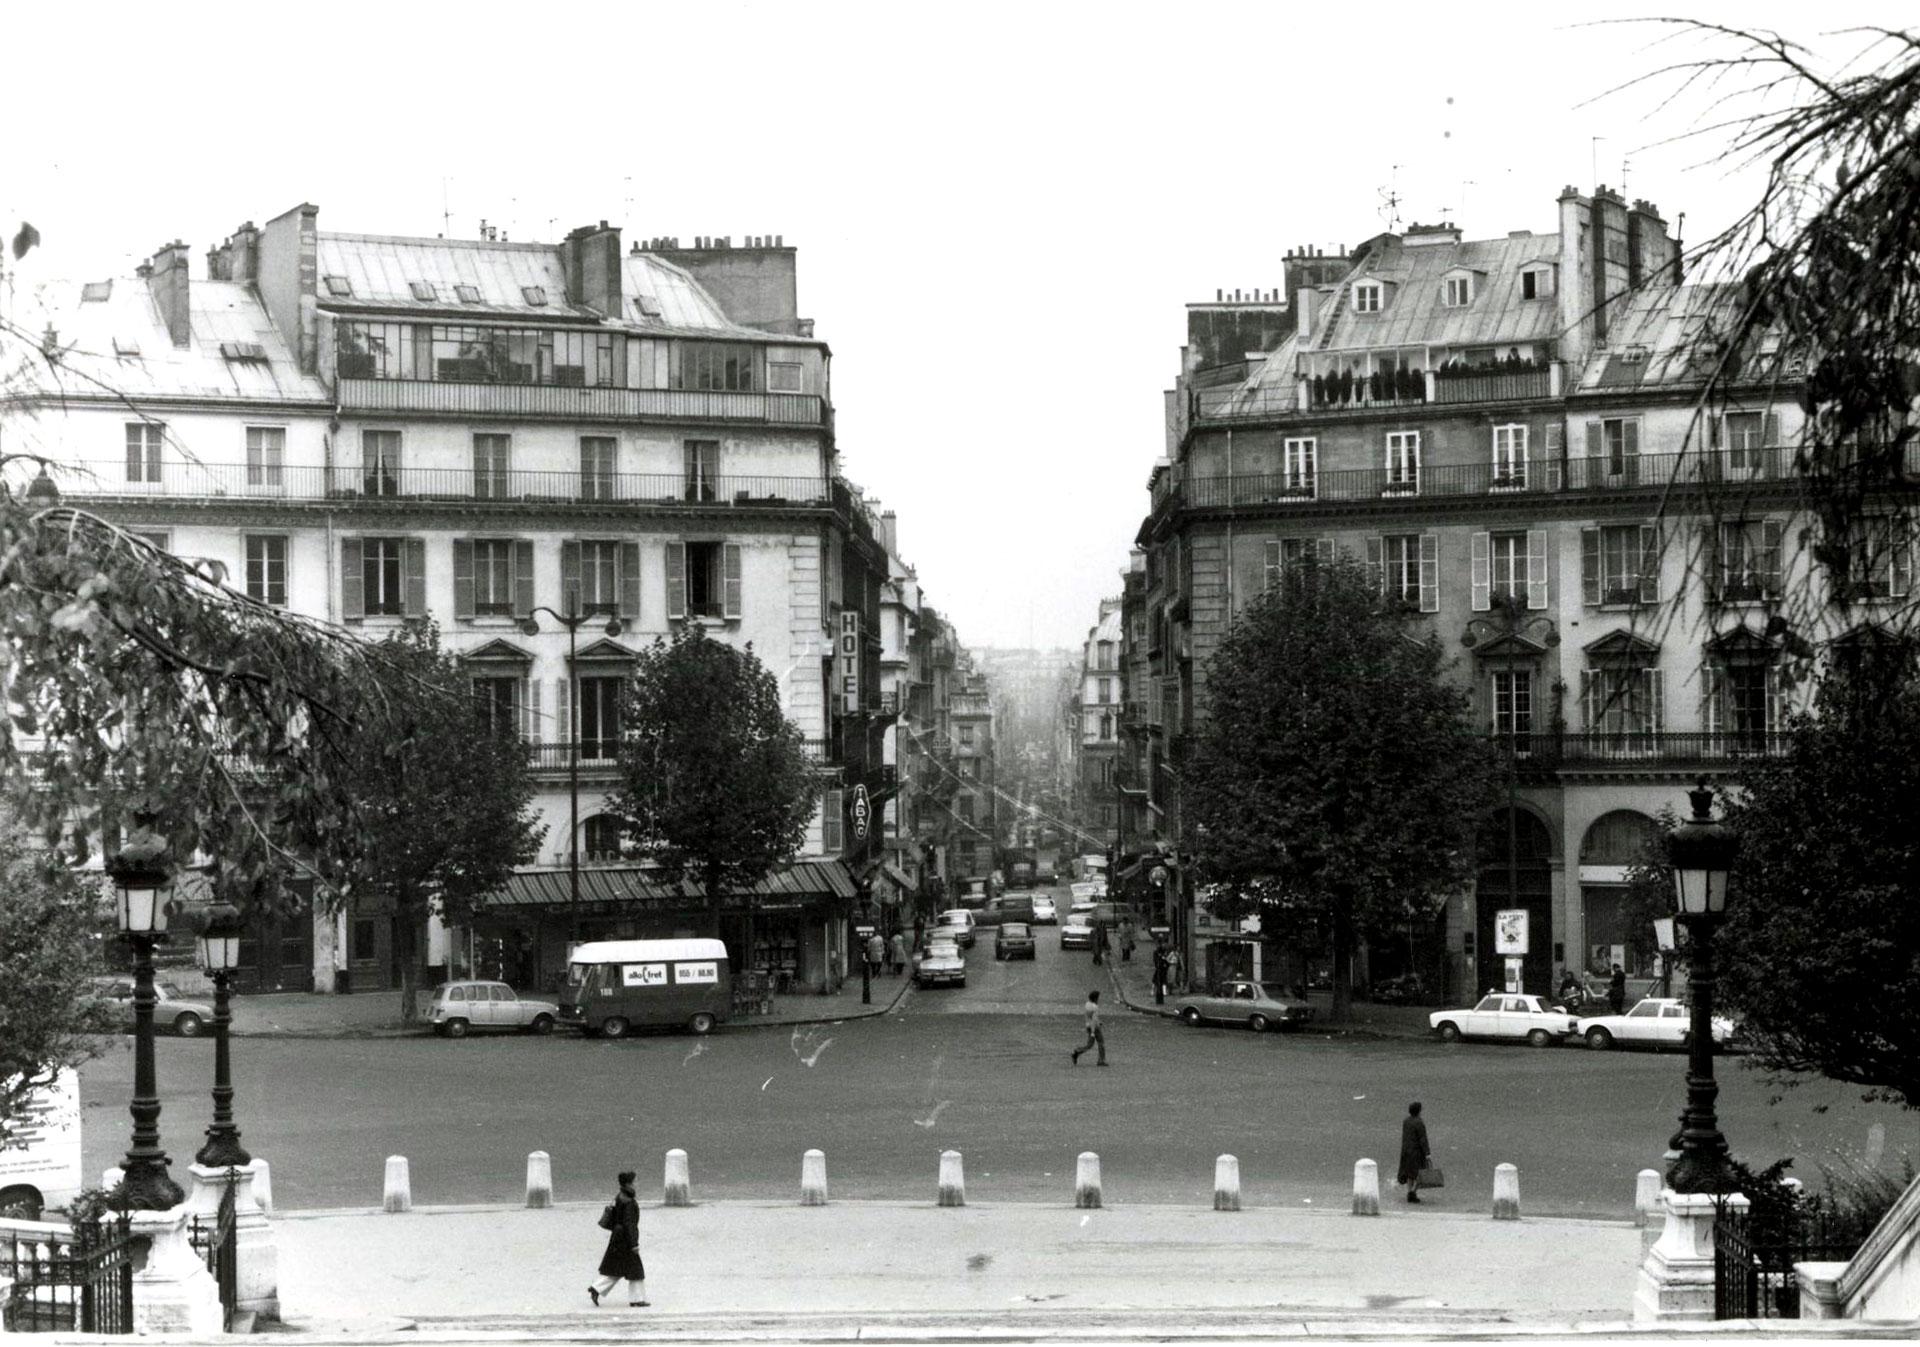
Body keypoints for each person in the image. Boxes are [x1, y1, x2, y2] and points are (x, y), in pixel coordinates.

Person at [588, 1170, 647, 1307]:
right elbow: (630, 1224)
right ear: (629, 1184)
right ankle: (637, 1300)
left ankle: (596, 1288)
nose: (638, 1183)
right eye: (635, 1181)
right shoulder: (629, 1202)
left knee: (617, 1268)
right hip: (626, 1241)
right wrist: (634, 1244)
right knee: (635, 1270)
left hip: (618, 1237)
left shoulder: (619, 1197)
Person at [1396, 1102, 1432, 1204]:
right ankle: (1413, 1192)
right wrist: (1427, 1153)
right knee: (1420, 1173)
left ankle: (1409, 1191)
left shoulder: (1406, 1121)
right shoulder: (1419, 1123)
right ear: (1419, 1111)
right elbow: (1423, 1139)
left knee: (1409, 1174)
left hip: (1406, 1150)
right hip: (1417, 1152)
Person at [1070, 989, 1107, 1066]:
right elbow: (1093, 1020)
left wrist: (1098, 1022)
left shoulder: (1087, 1004)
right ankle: (1101, 1060)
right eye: (1098, 998)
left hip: (1088, 1026)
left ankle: (1077, 1051)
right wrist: (1093, 1031)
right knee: (1101, 1043)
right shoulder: (1094, 1007)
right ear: (1095, 998)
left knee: (1089, 1045)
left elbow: (1089, 1017)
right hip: (1094, 1028)